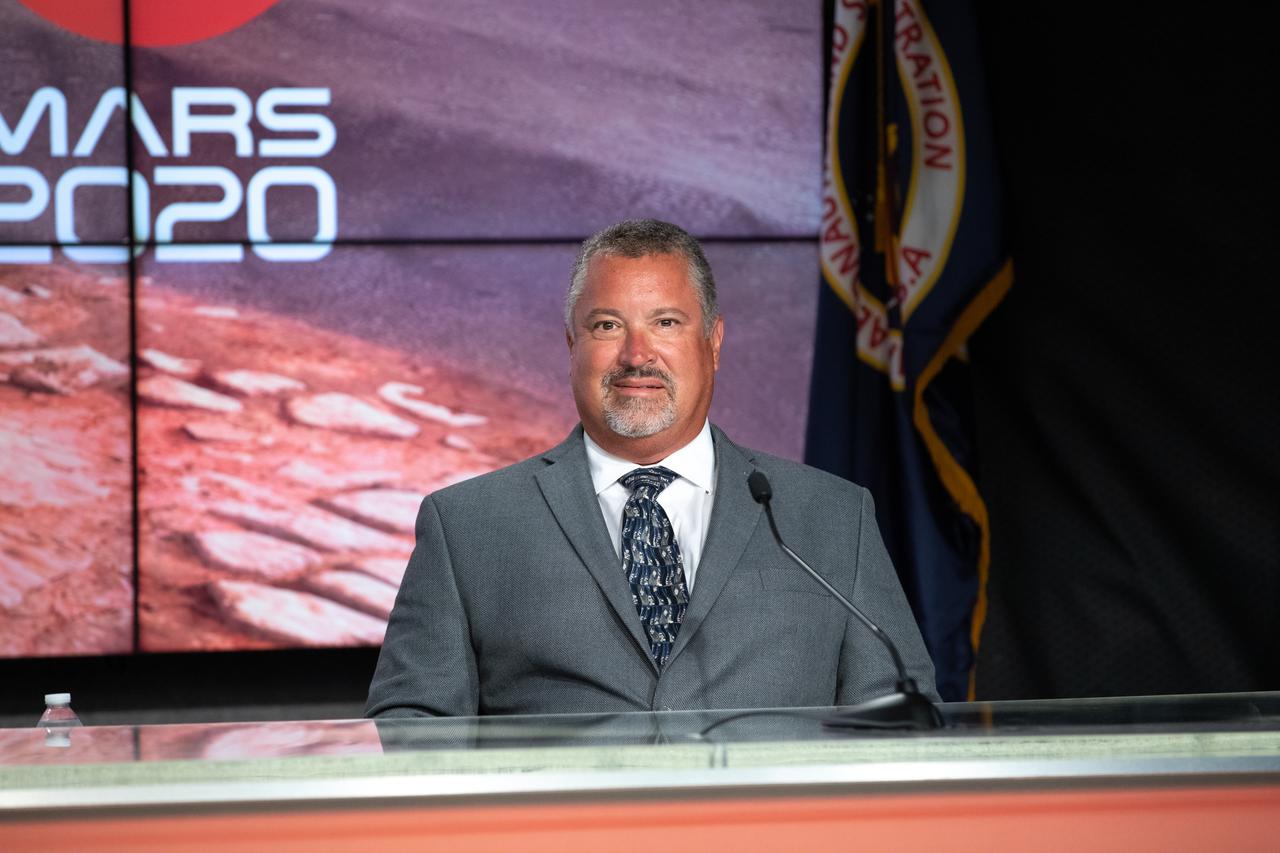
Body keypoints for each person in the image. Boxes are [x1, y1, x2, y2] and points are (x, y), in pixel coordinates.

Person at [366, 219, 937, 717]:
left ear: (712, 342)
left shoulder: (832, 516)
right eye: (607, 326)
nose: (637, 354)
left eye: (665, 323)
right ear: (572, 344)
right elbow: (412, 725)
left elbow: (898, 717)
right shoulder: (468, 525)